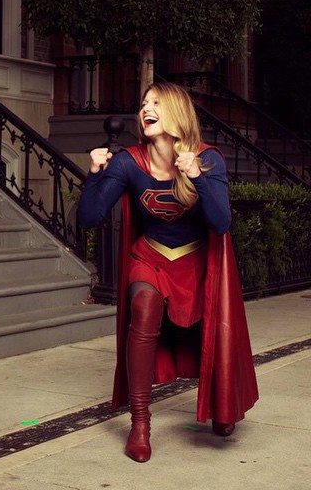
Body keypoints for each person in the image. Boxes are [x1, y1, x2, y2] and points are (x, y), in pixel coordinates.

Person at [78, 81, 258, 463]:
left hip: (197, 262)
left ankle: (222, 405)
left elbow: (221, 223)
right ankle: (140, 422)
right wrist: (93, 173)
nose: (146, 108)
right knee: (143, 307)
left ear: (176, 112)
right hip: (151, 258)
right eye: (144, 102)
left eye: (156, 102)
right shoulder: (129, 162)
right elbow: (89, 218)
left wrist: (197, 176)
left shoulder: (208, 158)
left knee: (210, 332)